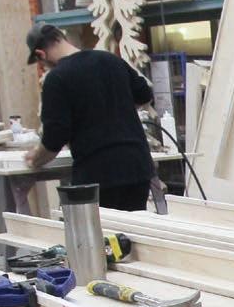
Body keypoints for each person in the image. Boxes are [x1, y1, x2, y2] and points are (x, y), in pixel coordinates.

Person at [24, 23, 155, 210]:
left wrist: (35, 158)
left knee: (103, 229)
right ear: (62, 38)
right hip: (137, 167)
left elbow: (54, 138)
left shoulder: (57, 78)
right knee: (132, 227)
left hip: (98, 175)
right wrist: (117, 108)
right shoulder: (110, 60)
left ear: (41, 54)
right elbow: (144, 94)